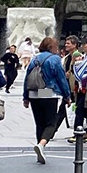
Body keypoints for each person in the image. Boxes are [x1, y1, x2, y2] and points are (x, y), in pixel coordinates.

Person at [22, 35, 70, 163]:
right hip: (48, 92)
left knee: (39, 123)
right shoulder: (55, 59)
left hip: (34, 93)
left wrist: (25, 97)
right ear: (51, 47)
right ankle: (41, 144)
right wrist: (67, 95)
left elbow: (27, 78)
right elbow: (61, 79)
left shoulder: (35, 58)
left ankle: (40, 148)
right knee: (51, 123)